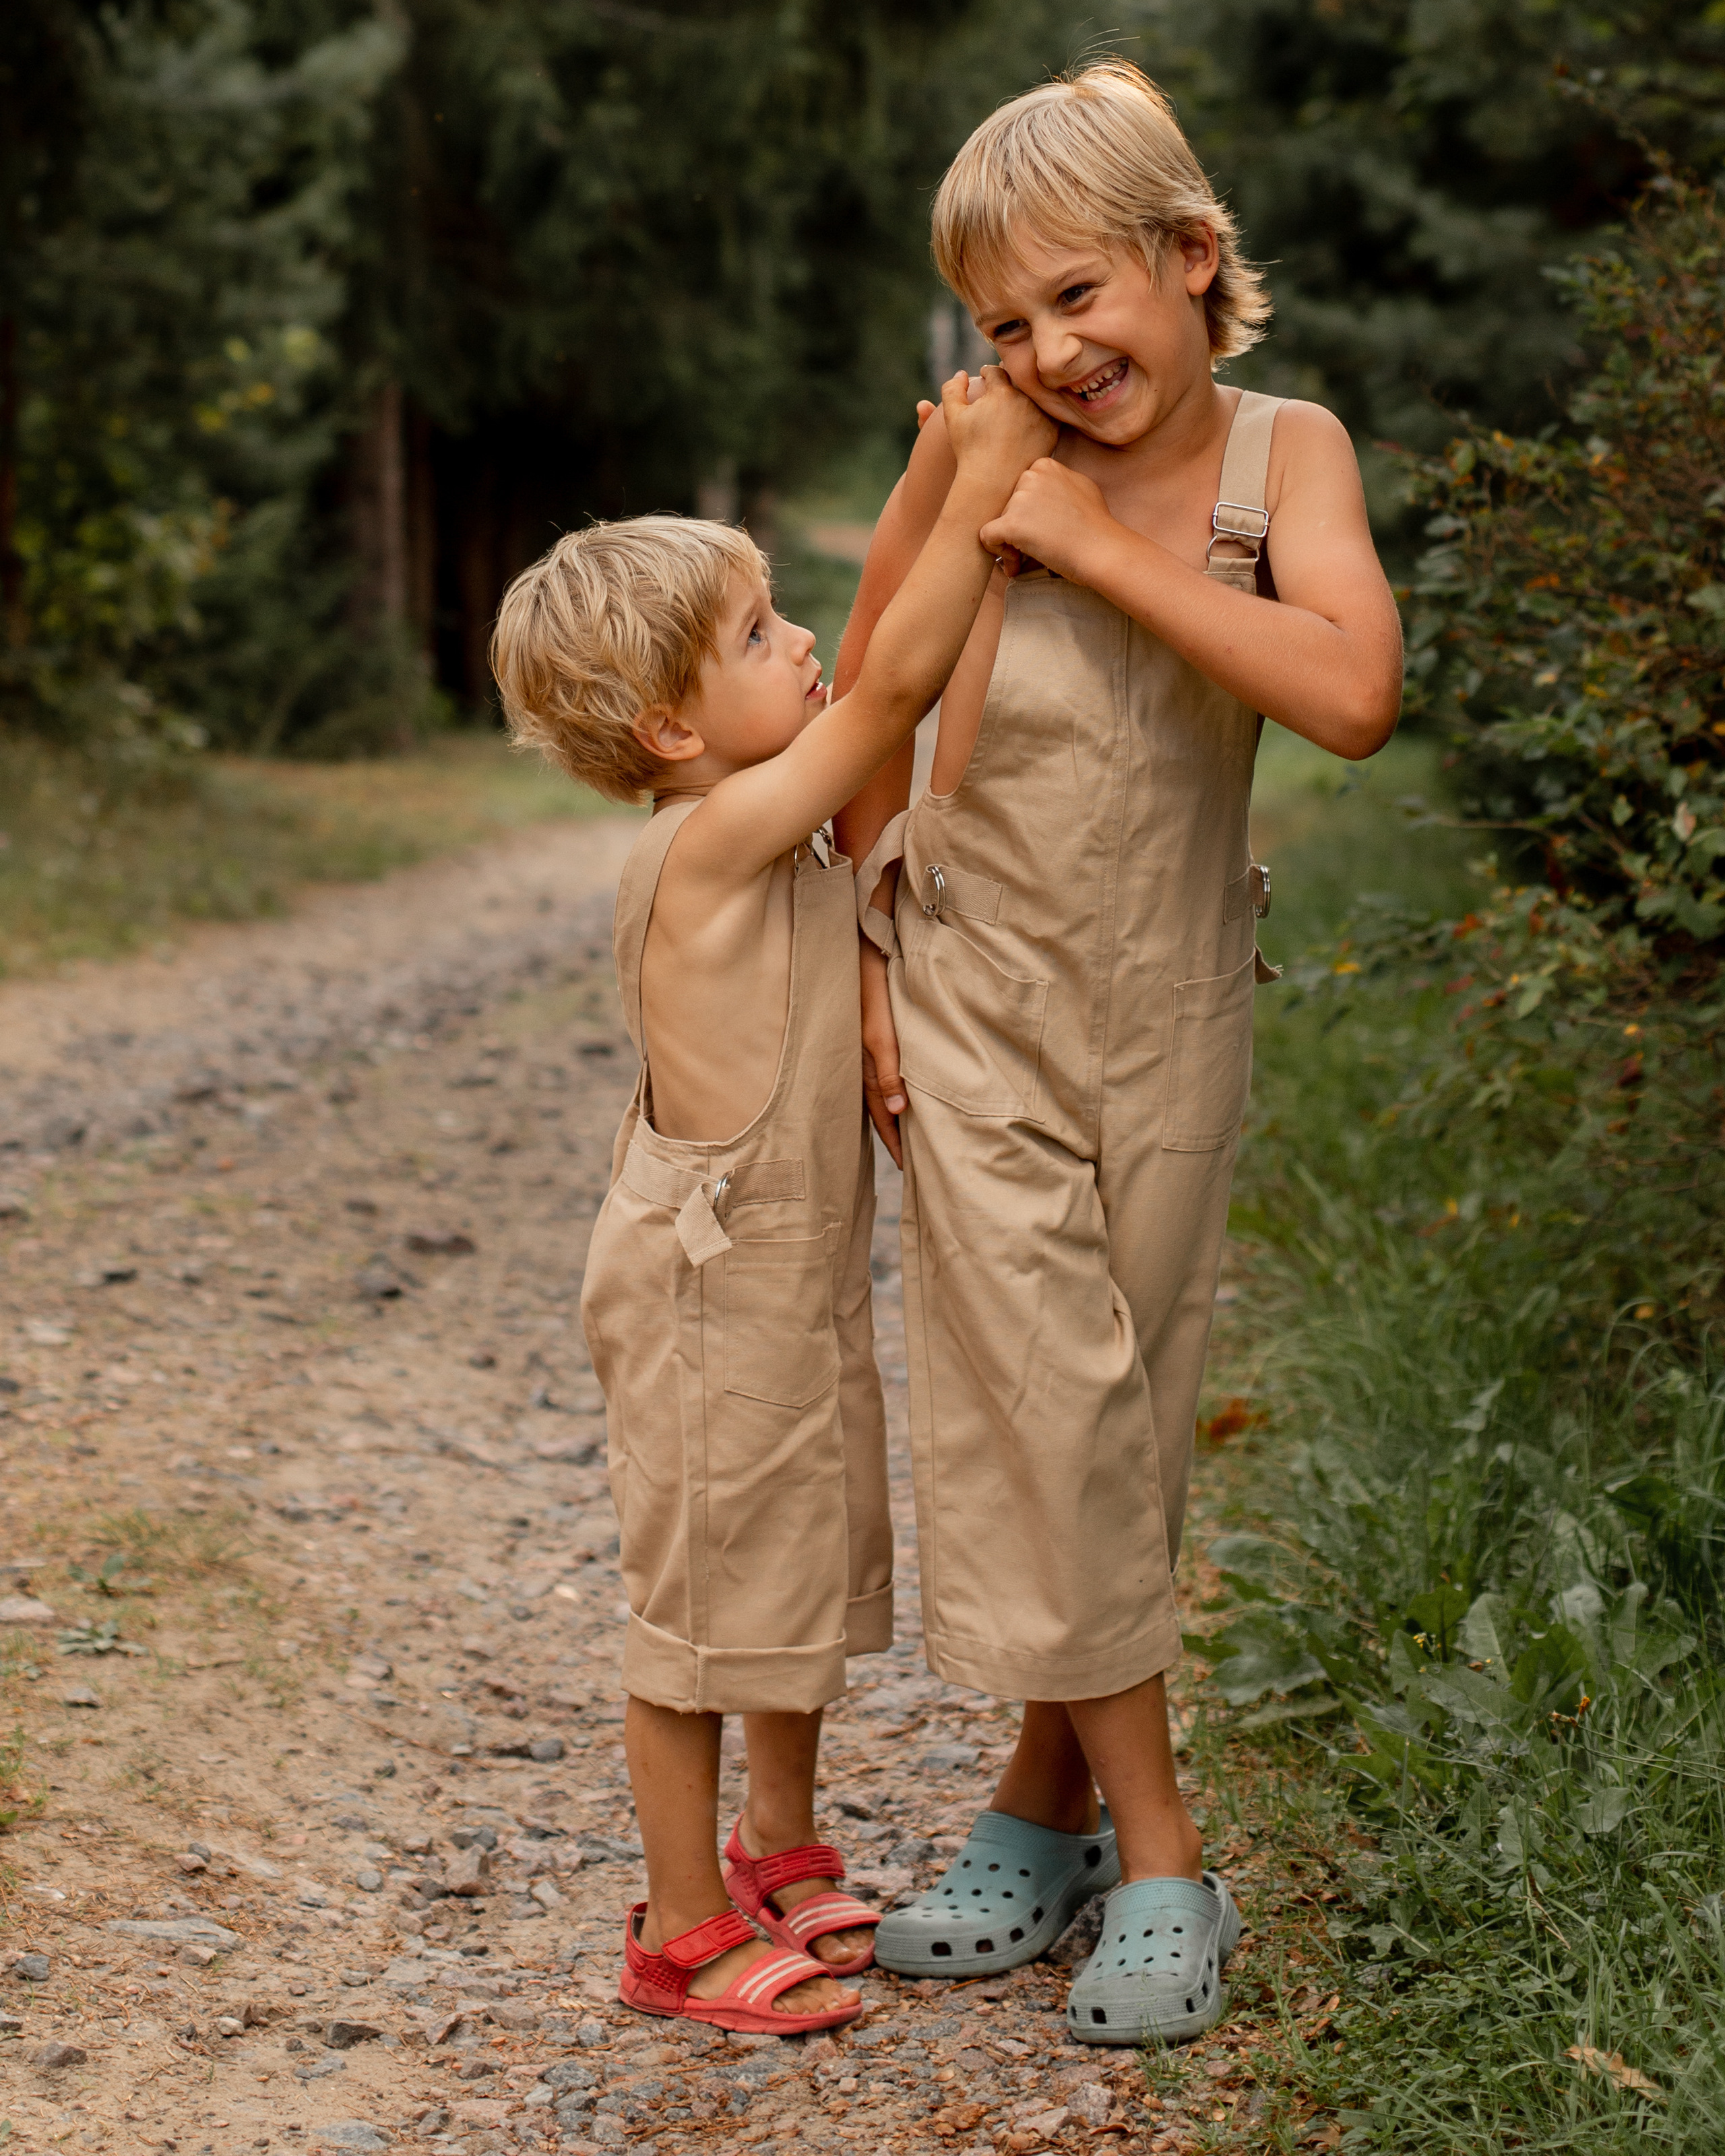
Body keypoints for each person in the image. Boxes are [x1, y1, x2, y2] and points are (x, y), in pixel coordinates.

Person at [829, 59, 1403, 2045]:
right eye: (1009, 323)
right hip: (974, 982)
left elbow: (1349, 697)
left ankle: (1034, 1801)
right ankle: (1165, 1855)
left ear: (1190, 258)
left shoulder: (1281, 457)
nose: (1053, 351)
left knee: (1130, 1416)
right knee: (1064, 1396)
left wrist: (1094, 546)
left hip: (1170, 1001)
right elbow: (864, 703)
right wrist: (871, 981)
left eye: (1083, 297)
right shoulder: (980, 451)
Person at [489, 366, 1053, 2034]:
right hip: (704, 1285)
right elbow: (887, 697)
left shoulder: (762, 825)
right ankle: (673, 1928)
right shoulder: (715, 836)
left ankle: (779, 1841)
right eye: (753, 637)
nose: (799, 640)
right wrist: (980, 485)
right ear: (671, 729)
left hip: (788, 1274)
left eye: (777, 614)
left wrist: (933, 466)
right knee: (694, 1612)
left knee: (793, 1563)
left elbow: (855, 707)